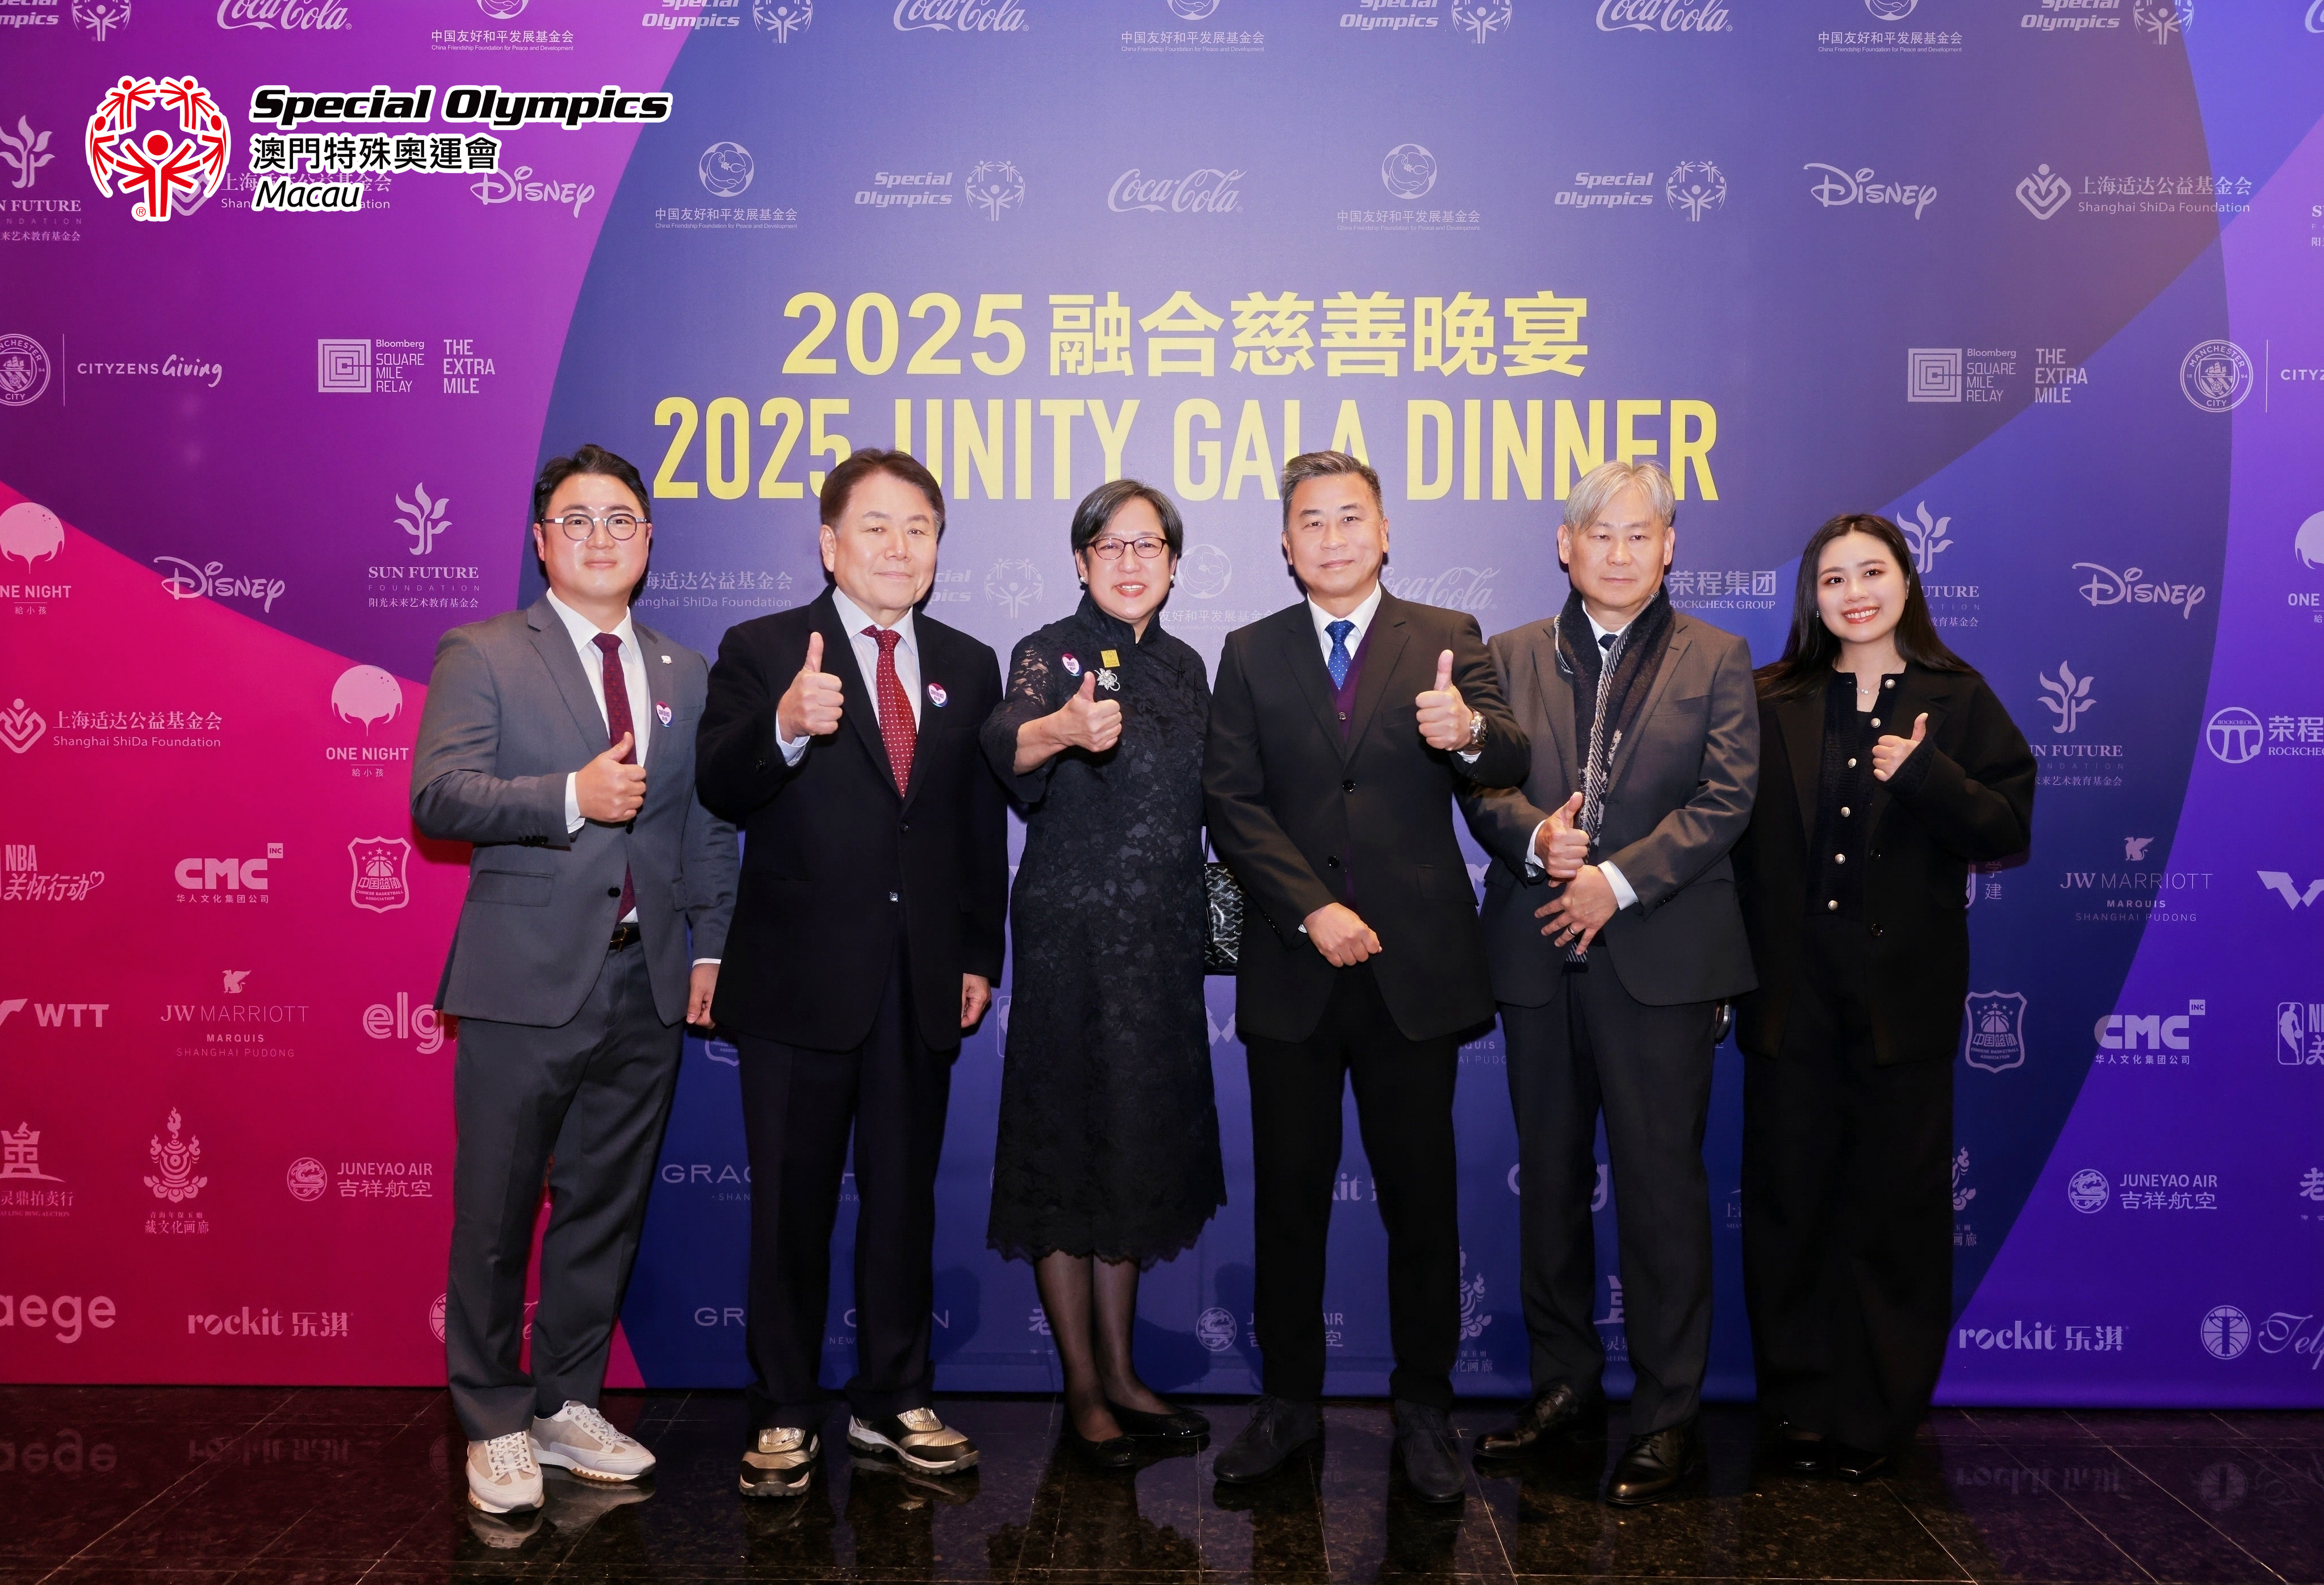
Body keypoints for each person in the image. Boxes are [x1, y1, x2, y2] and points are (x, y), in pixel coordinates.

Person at [411, 443, 739, 1516]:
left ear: (649, 540)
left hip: (645, 980)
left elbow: (700, 825)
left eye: (621, 520)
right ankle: (492, 1419)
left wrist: (706, 948)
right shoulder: (484, 651)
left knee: (604, 1204)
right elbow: (440, 795)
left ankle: (564, 1402)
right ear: (542, 541)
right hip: (523, 981)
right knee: (497, 1211)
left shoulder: (684, 670)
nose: (602, 537)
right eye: (578, 520)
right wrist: (569, 795)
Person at [1203, 450, 1528, 1505]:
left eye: (1351, 518)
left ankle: (1424, 1410)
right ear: (1284, 542)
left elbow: (1508, 755)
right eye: (1312, 521)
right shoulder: (1248, 652)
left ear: (1385, 533)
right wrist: (1312, 908)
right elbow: (1231, 801)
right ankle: (1287, 1404)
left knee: (1421, 1204)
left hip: (1413, 974)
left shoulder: (1445, 637)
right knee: (1288, 1205)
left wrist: (1466, 732)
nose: (1332, 537)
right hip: (1296, 967)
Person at [695, 450, 1008, 1500]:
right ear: (829, 545)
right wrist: (784, 725)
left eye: (918, 528)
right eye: (875, 527)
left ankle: (893, 1395)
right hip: (796, 982)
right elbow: (718, 784)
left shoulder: (967, 661)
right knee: (789, 1207)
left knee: (903, 1201)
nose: (898, 547)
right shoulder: (762, 648)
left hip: (920, 981)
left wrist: (977, 951)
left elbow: (974, 825)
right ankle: (784, 1408)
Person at [1458, 458, 1757, 1506]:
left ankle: (1668, 1416)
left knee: (1660, 1193)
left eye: (1639, 534)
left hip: (1660, 960)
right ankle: (1563, 1390)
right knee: (1547, 1186)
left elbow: (1726, 799)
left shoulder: (1718, 657)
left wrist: (1614, 883)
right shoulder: (1505, 655)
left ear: (1669, 547)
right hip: (1536, 954)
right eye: (1599, 533)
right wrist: (1536, 840)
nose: (1619, 552)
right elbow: (1480, 785)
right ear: (1564, 545)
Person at [1733, 512, 2034, 1481]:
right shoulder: (1769, 697)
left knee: (1893, 1208)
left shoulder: (1958, 696)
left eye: (1871, 572)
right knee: (1789, 1200)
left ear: (1906, 582)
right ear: (1811, 597)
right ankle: (1798, 1405)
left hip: (1901, 996)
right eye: (1832, 579)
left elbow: (2005, 827)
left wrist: (1927, 776)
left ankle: (1877, 1414)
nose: (1853, 593)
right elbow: (1722, 836)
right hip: (1787, 990)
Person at [979, 479, 1224, 1469]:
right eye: (1109, 545)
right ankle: (1082, 1388)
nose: (1130, 561)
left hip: (1160, 947)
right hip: (1071, 944)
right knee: (1066, 1152)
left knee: (1130, 1153)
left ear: (1173, 563)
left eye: (1147, 545)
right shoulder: (1051, 652)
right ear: (1081, 562)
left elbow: (1219, 801)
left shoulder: (1188, 666)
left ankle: (1122, 1373)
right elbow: (1006, 735)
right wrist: (1061, 731)